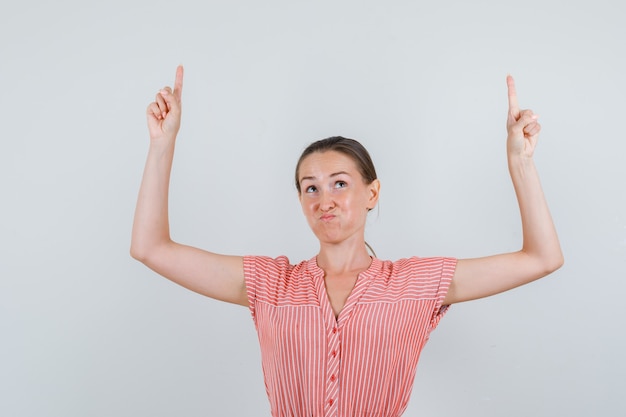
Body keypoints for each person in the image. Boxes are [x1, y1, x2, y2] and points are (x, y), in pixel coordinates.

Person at [131, 65, 563, 417]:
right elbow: (150, 247)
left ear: (371, 193)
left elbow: (542, 258)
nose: (325, 200)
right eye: (311, 188)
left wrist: (520, 163)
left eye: (340, 183)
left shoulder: (416, 283)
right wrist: (161, 145)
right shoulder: (269, 284)